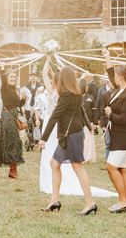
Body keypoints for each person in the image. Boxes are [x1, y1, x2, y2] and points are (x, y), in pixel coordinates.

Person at [39, 66, 97, 215]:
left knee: (77, 167)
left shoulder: (66, 95)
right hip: (73, 134)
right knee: (54, 164)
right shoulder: (76, 94)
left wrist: (43, 139)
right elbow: (81, 111)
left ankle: (90, 202)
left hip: (71, 135)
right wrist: (88, 124)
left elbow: (55, 116)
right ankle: (54, 200)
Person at [102, 49, 126, 213]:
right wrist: (108, 57)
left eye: (114, 76)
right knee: (122, 169)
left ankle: (123, 201)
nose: (112, 78)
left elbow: (124, 119)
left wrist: (110, 114)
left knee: (111, 167)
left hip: (125, 137)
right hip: (118, 136)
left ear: (120, 78)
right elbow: (110, 73)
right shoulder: (120, 89)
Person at [0, 68, 25, 178]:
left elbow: (16, 105)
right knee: (14, 142)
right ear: (7, 79)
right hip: (8, 117)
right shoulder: (5, 87)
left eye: (14, 77)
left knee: (2, 142)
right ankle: (13, 171)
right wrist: (2, 68)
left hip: (11, 116)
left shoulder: (13, 89)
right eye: (11, 76)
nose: (13, 78)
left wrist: (23, 100)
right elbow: (3, 78)